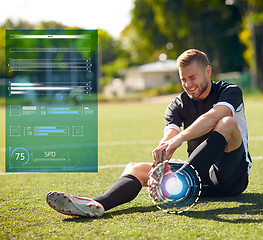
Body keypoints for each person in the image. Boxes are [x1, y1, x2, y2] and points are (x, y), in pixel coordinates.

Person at [46, 49, 252, 218]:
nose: (188, 84)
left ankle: (183, 177)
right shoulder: (178, 104)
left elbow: (213, 118)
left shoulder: (230, 91)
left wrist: (180, 140)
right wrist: (161, 159)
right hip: (198, 178)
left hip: (232, 178)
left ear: (208, 71)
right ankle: (96, 204)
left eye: (192, 78)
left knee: (226, 122)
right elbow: (170, 134)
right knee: (136, 168)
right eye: (183, 80)